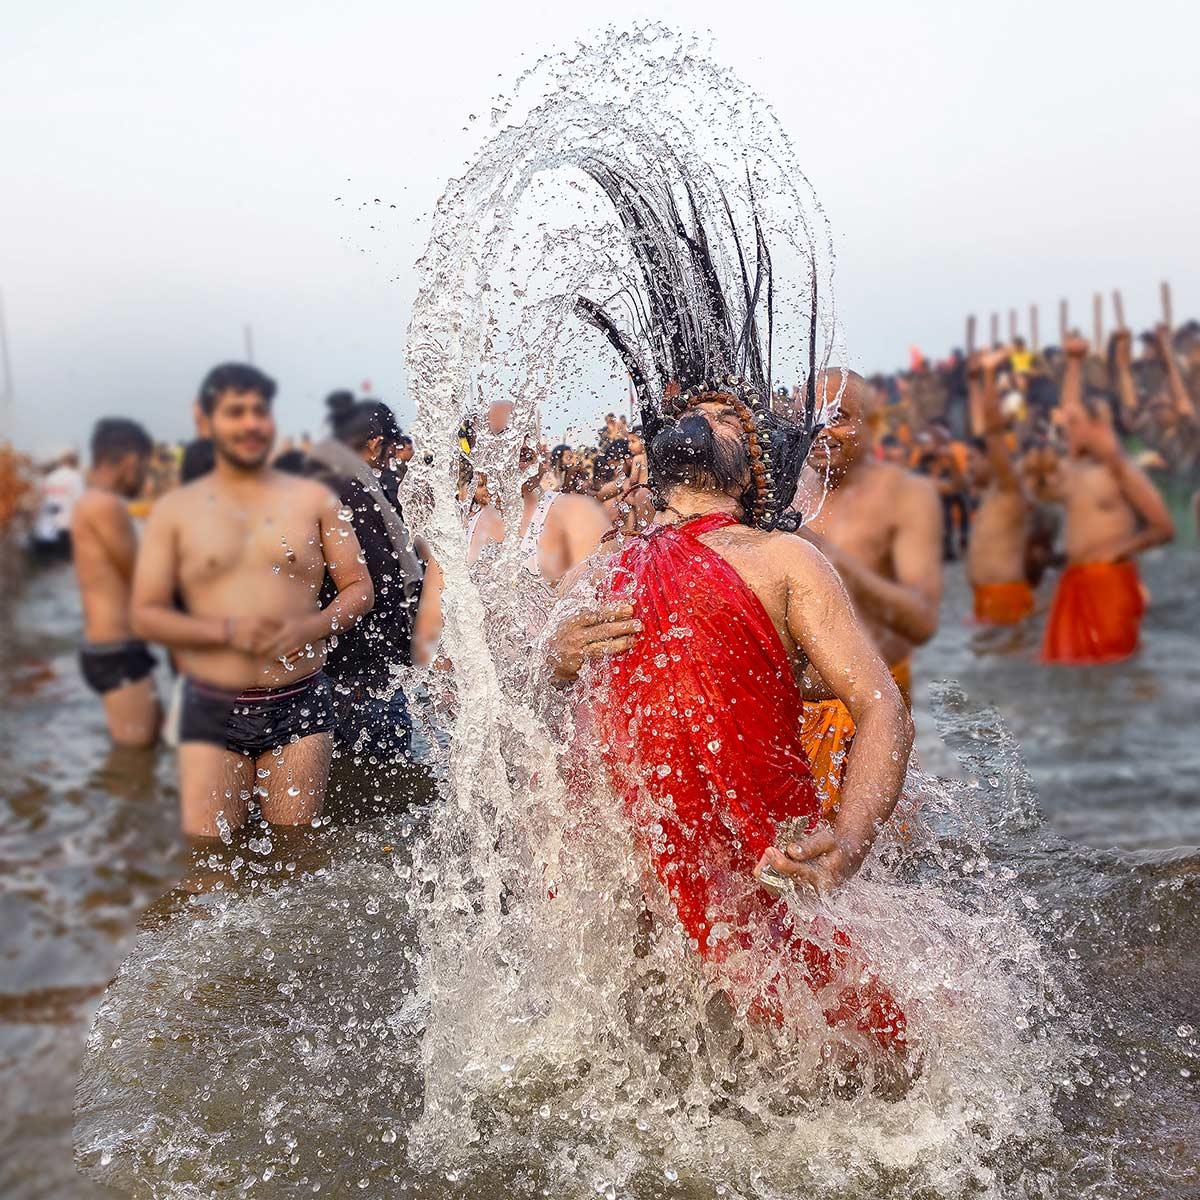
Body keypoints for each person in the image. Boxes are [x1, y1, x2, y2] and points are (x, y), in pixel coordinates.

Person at [557, 161, 913, 1057]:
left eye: (729, 417)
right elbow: (509, 704)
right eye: (691, 412)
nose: (704, 421)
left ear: (760, 463)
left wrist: (852, 836)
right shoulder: (613, 561)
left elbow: (881, 707)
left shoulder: (785, 558)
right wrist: (554, 657)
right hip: (646, 854)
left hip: (768, 832)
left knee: (829, 1040)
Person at [130, 363, 374, 838]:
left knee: (294, 855)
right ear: (204, 421)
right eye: (234, 412)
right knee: (210, 863)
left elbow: (359, 588)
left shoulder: (316, 501)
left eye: (259, 411)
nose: (250, 424)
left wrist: (312, 626)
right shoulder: (175, 512)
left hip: (298, 700)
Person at [790, 369, 941, 812]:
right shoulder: (787, 492)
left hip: (864, 706)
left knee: (859, 848)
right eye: (811, 416)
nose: (820, 430)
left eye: (838, 417)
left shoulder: (905, 497)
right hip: (791, 701)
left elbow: (919, 619)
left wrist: (827, 558)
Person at [306, 392, 442, 762]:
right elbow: (382, 583)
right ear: (375, 444)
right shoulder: (355, 490)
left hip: (323, 669)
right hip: (364, 674)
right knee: (387, 790)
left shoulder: (314, 483)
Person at [1040, 336, 1174, 664]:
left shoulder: (1121, 470)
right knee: (1072, 673)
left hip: (1110, 583)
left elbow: (1163, 528)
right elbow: (1071, 408)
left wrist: (1119, 550)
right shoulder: (1076, 468)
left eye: (1075, 425)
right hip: (1075, 583)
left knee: (1112, 667)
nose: (1067, 430)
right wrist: (1074, 363)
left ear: (1099, 427)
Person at [70, 419, 161, 747]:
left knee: (146, 748)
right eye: (145, 466)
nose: (144, 476)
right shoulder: (105, 506)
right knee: (133, 766)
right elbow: (141, 576)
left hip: (110, 647)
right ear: (130, 460)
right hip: (116, 651)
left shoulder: (89, 502)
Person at [468, 445, 610, 586]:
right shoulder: (462, 524)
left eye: (528, 432)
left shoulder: (578, 512)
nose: (523, 444)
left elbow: (597, 596)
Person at [965, 351, 1037, 625]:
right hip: (985, 599)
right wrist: (973, 383)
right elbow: (982, 431)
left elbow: (991, 432)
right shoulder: (992, 491)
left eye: (973, 460)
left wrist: (989, 374)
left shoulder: (1009, 486)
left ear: (992, 458)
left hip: (1006, 598)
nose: (968, 467)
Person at [30, 450, 85, 561]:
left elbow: (41, 500)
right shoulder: (75, 477)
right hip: (67, 527)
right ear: (75, 462)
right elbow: (81, 502)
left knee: (50, 567)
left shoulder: (50, 478)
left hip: (48, 527)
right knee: (65, 565)